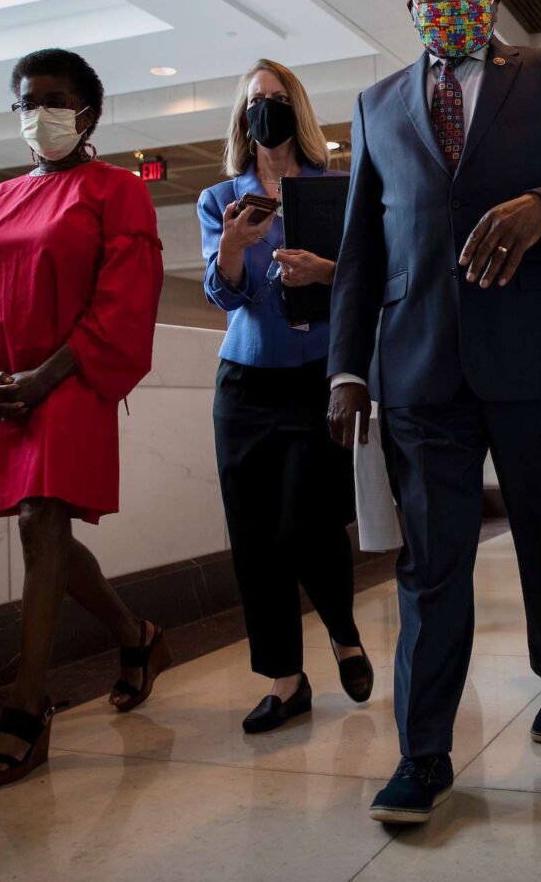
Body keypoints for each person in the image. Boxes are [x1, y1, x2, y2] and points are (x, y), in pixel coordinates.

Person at [328, 0, 541, 824]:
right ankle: (422, 754)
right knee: (431, 564)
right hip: (421, 369)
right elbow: (361, 250)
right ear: (410, 2)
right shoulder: (377, 103)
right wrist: (346, 368)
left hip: (540, 358)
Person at [0, 48, 169, 789]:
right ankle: (136, 637)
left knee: (42, 520)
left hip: (71, 374)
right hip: (9, 383)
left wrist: (46, 376)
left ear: (88, 114)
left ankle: (26, 707)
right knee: (43, 533)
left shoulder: (117, 190)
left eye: (52, 100)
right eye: (25, 101)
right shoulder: (0, 196)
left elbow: (125, 296)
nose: (35, 113)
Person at [199, 58, 372, 734]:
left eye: (274, 97)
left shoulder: (338, 189)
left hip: (317, 376)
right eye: (253, 100)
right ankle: (285, 679)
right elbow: (224, 296)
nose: (263, 109)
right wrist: (232, 247)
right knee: (253, 533)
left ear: (295, 107)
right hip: (245, 382)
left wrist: (325, 271)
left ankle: (344, 633)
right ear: (242, 117)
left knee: (308, 520)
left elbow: (369, 275)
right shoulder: (222, 198)